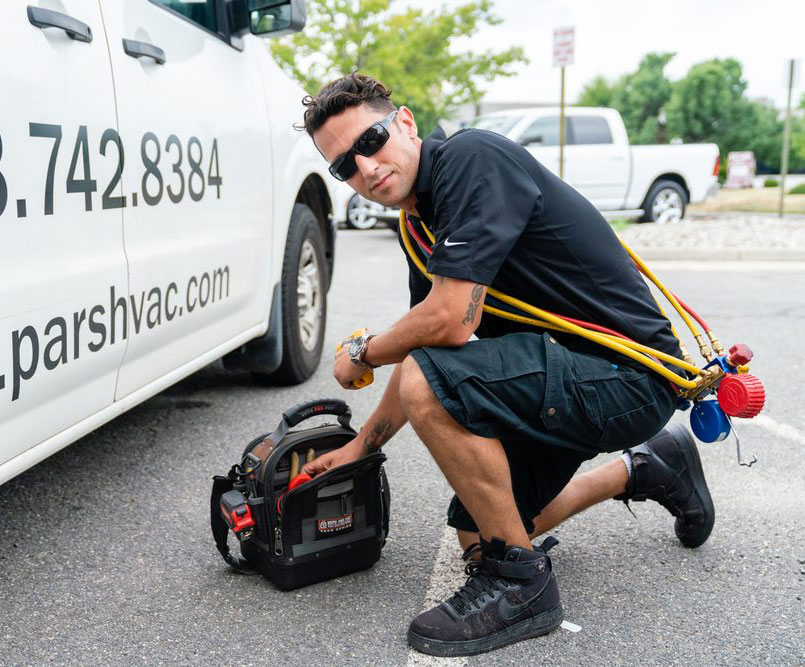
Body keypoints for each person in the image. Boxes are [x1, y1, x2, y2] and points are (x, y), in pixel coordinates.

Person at [299, 72, 714, 657]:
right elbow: (431, 343)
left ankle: (521, 587)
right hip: (563, 372)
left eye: (370, 142)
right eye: (344, 166)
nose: (365, 169)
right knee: (477, 532)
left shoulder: (473, 159)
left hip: (628, 377)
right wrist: (362, 446)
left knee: (432, 390)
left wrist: (361, 351)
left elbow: (448, 324)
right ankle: (648, 468)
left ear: (406, 123)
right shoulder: (419, 224)